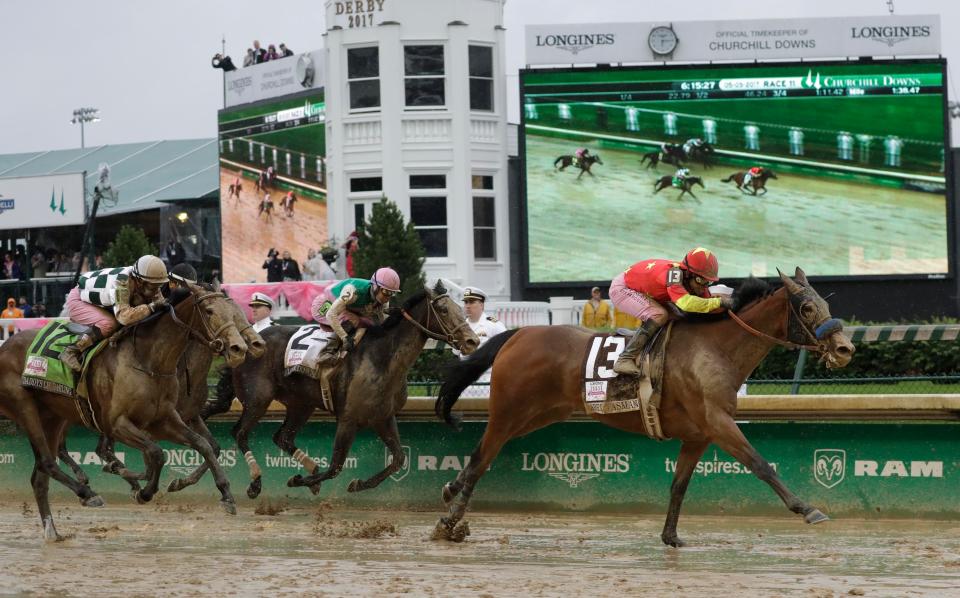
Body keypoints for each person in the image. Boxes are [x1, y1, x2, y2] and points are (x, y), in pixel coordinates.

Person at [609, 248, 734, 376]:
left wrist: (735, 306)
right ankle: (624, 359)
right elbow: (686, 304)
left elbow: (710, 309)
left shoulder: (694, 280)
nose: (704, 287)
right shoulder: (673, 274)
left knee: (679, 319)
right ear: (688, 274)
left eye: (708, 282)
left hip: (644, 290)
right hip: (623, 288)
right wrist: (719, 302)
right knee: (659, 315)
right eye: (701, 281)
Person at [59, 255, 169, 371]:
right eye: (153, 286)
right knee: (109, 324)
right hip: (78, 299)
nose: (157, 290)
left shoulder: (144, 278)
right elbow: (124, 317)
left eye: (159, 285)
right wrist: (151, 307)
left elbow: (159, 303)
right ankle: (71, 351)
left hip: (102, 302)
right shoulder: (121, 283)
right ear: (140, 281)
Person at [311, 267, 401, 362]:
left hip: (346, 307)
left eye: (392, 293)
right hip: (324, 304)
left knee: (368, 324)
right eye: (386, 292)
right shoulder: (352, 291)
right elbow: (330, 315)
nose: (388, 297)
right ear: (375, 286)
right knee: (353, 320)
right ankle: (327, 352)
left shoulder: (383, 300)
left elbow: (384, 325)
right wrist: (344, 338)